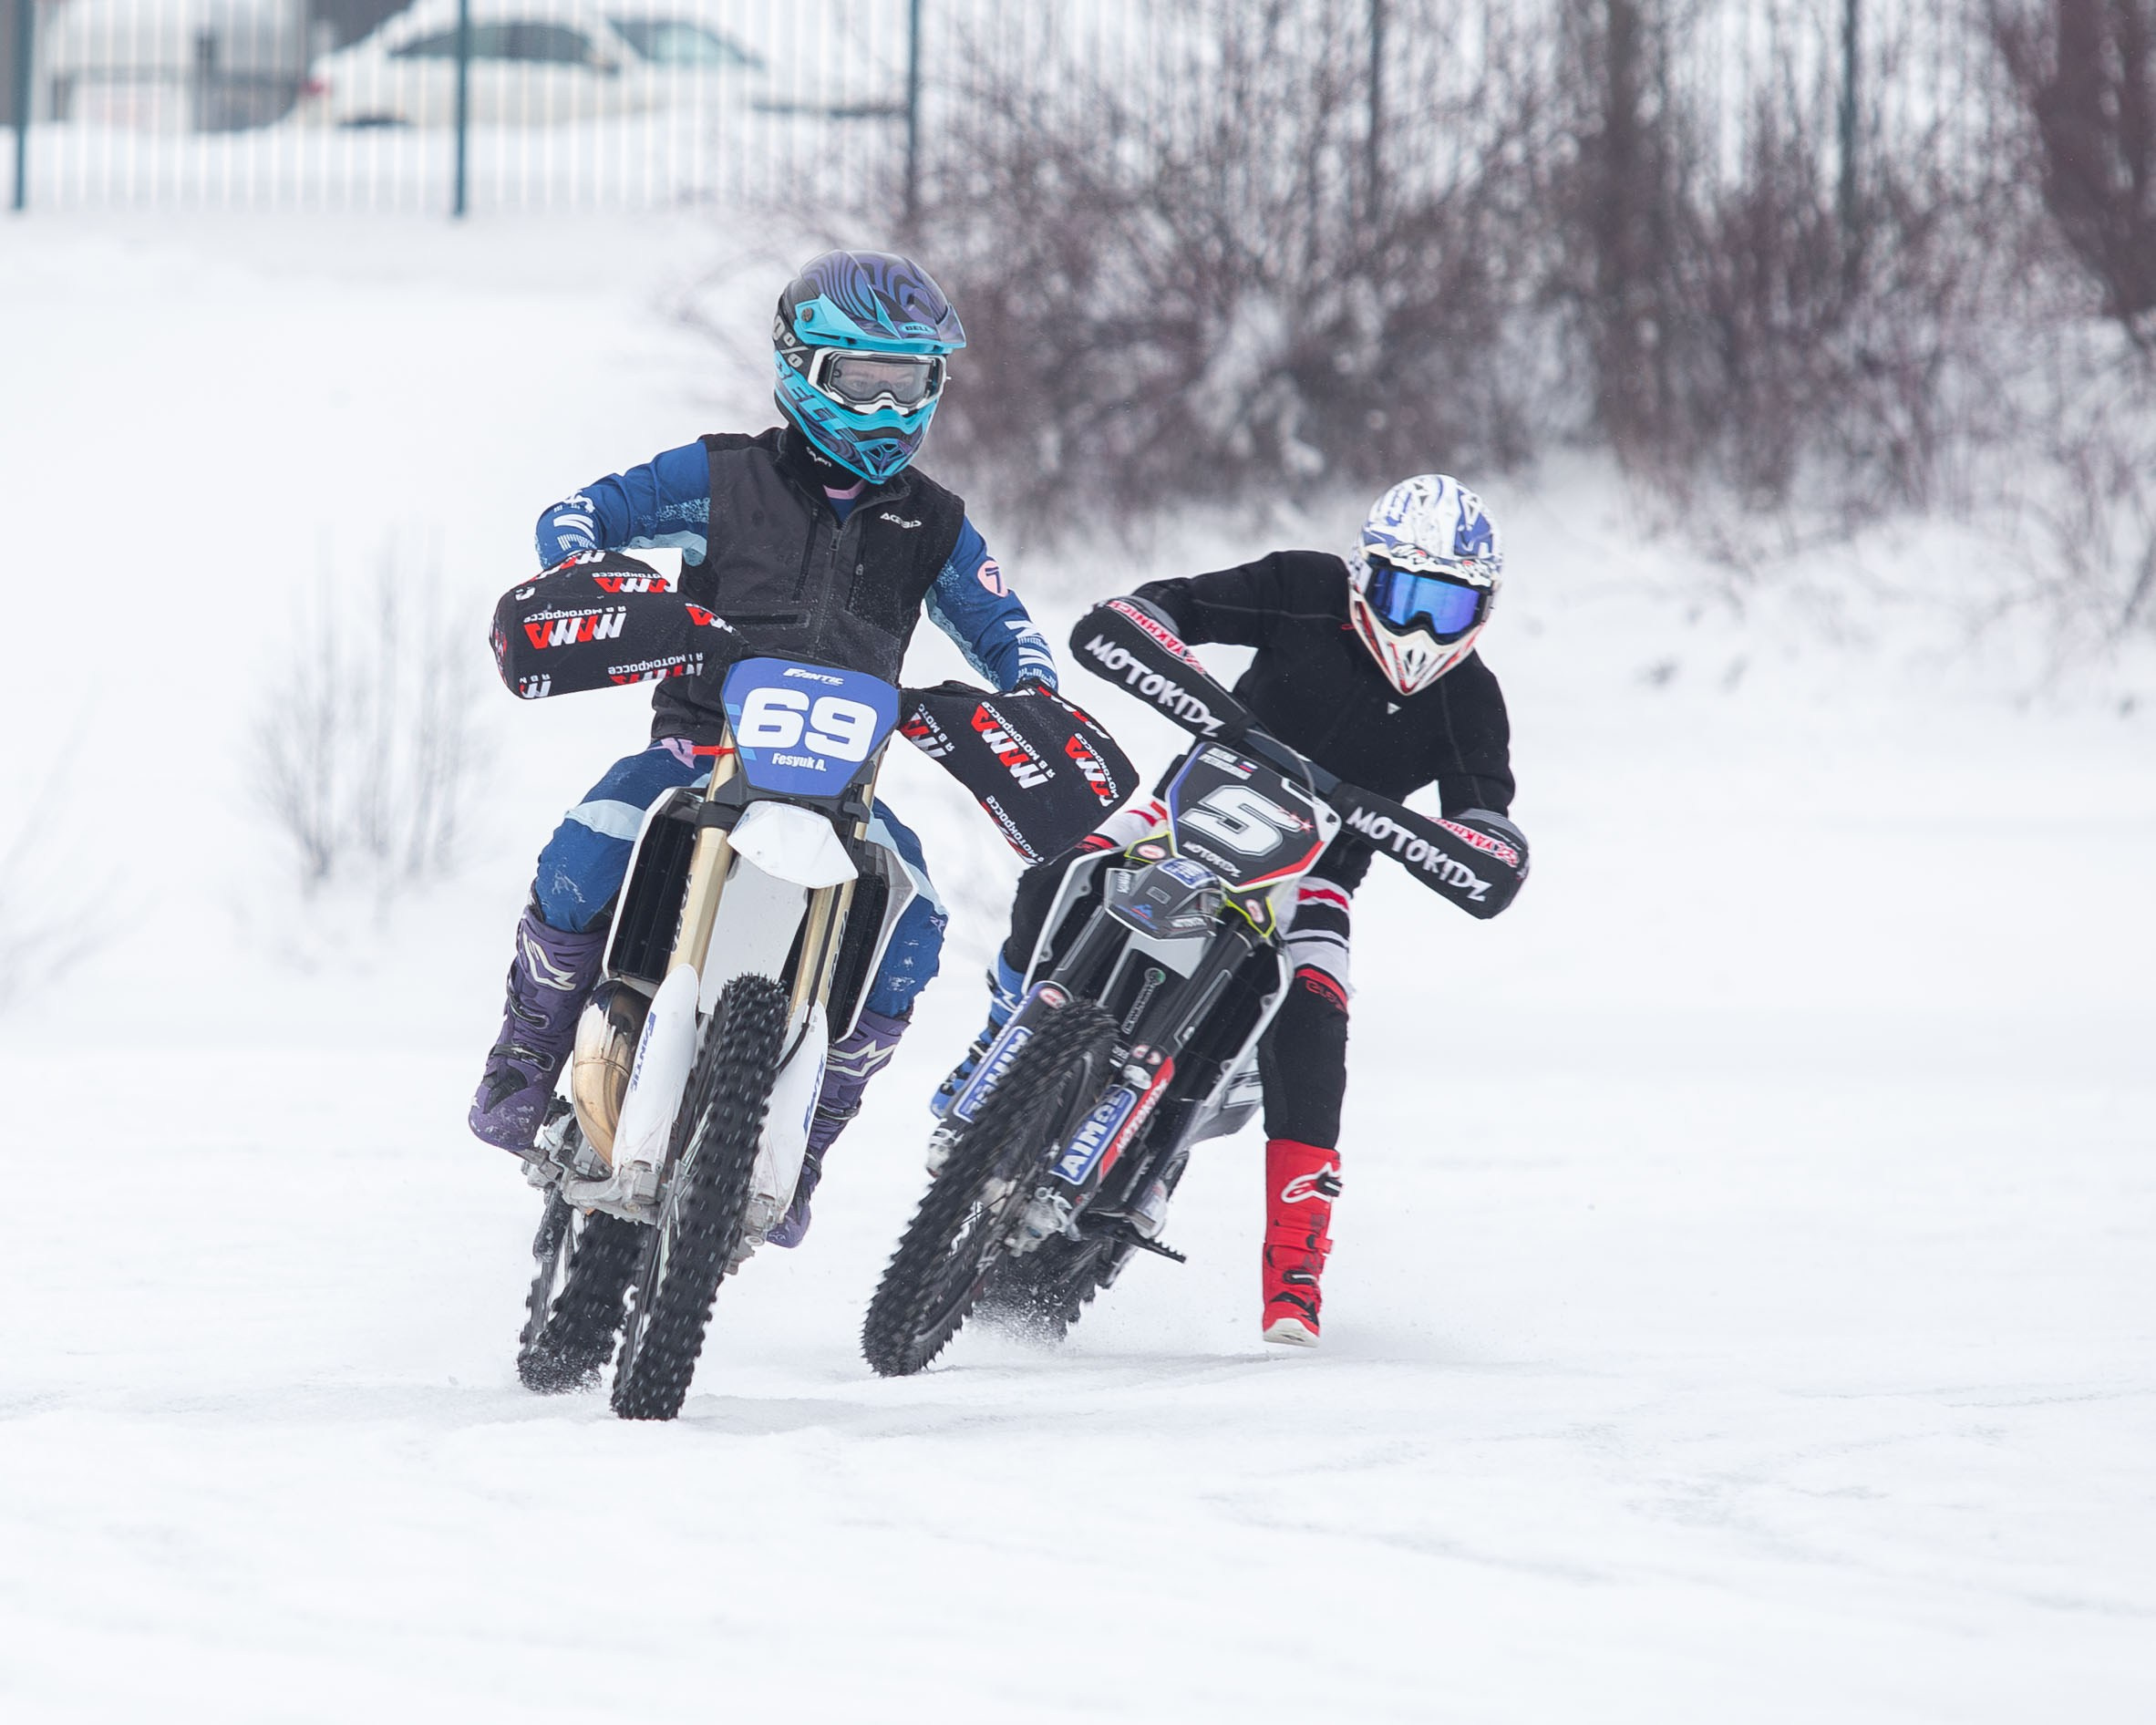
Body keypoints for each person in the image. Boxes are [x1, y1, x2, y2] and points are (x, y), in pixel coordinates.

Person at [470, 249, 1058, 1247]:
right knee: (590, 839)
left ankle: (810, 1137)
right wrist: (594, 571)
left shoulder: (935, 523)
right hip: (702, 748)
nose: (882, 412)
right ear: (800, 369)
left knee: (916, 925)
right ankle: (527, 1057)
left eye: (905, 385)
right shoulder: (719, 474)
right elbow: (582, 512)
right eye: (858, 383)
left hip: (846, 788)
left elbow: (1007, 629)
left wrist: (1032, 696)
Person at [936, 474, 1528, 1346]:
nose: (1419, 626)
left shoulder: (1470, 697)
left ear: (1482, 608)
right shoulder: (1302, 587)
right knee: (1062, 868)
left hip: (1317, 875)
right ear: (1365, 574)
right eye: (1406, 594)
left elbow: (1489, 827)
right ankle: (1001, 1038)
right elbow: (1149, 612)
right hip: (1192, 806)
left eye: (1448, 606)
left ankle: (1295, 1272)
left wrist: (1448, 836)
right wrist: (1177, 666)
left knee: (1316, 1017)